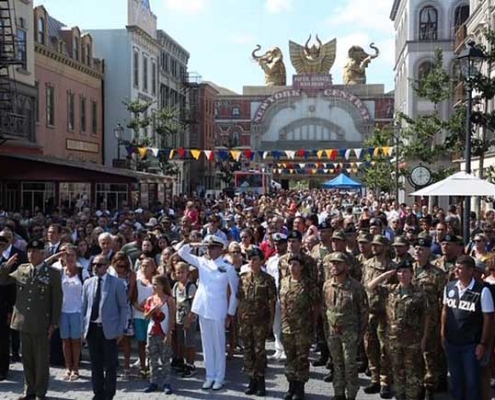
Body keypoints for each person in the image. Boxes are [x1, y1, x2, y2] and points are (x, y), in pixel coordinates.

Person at [0, 239, 62, 400]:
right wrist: (6, 266)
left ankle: (40, 392)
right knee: (26, 359)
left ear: (43, 253)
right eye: (29, 251)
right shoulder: (22, 269)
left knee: (41, 360)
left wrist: (53, 323)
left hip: (41, 322)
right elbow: (2, 279)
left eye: (35, 252)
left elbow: (56, 301)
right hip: (23, 321)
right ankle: (29, 390)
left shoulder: (52, 274)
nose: (31, 254)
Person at [178, 234, 239, 391]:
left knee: (218, 345)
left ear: (220, 249)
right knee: (206, 345)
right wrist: (196, 244)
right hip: (204, 308)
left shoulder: (228, 267)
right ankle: (209, 376)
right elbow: (182, 253)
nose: (209, 250)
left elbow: (234, 292)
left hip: (219, 310)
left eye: (213, 247)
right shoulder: (202, 262)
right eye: (208, 247)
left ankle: (219, 377)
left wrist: (230, 313)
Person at [368, 259, 428, 400]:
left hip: (412, 341)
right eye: (400, 271)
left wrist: (424, 338)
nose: (402, 274)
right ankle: (400, 396)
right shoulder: (390, 290)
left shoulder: (420, 293)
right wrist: (386, 275)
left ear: (412, 274)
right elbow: (370, 286)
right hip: (393, 340)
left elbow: (426, 317)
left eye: (405, 271)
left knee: (412, 373)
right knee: (397, 371)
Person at [441, 255, 494, 400]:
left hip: (471, 346)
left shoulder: (482, 291)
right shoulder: (449, 287)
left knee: (472, 384)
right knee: (456, 382)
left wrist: (483, 344)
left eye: (460, 268)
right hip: (452, 343)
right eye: (455, 267)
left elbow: (488, 319)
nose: (456, 271)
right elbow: (445, 310)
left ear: (471, 271)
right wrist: (442, 334)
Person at [323, 252, 369, 400]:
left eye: (339, 263)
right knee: (337, 364)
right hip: (332, 331)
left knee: (349, 365)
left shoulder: (356, 287)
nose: (335, 266)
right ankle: (338, 393)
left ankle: (351, 395)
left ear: (346, 266)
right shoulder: (327, 285)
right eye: (333, 263)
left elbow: (363, 312)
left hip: (350, 333)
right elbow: (325, 309)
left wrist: (360, 334)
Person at [81, 254, 127, 400]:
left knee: (111, 365)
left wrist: (121, 329)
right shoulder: (88, 283)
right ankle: (98, 393)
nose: (96, 267)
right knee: (95, 364)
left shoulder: (117, 283)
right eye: (94, 264)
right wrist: (83, 328)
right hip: (93, 328)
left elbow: (123, 308)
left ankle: (109, 394)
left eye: (99, 264)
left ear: (107, 266)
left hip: (109, 329)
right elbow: (84, 307)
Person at [237, 247, 276, 396]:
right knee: (248, 351)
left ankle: (261, 382)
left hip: (261, 322)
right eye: (250, 259)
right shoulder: (243, 277)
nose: (252, 262)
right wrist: (240, 320)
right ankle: (251, 380)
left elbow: (272, 303)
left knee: (259, 352)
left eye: (255, 259)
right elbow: (240, 300)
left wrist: (271, 323)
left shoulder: (268, 280)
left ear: (262, 261)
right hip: (246, 321)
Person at [280, 254, 320, 400]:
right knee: (290, 358)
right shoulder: (284, 282)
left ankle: (300, 388)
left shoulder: (308, 284)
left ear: (301, 267)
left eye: (295, 264)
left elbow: (316, 305)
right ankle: (291, 386)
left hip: (303, 327)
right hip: (287, 327)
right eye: (290, 264)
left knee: (302, 358)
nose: (292, 267)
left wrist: (313, 323)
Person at [412, 235, 448, 398]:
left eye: (422, 249)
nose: (418, 251)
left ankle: (429, 388)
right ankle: (416, 385)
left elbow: (443, 301)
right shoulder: (407, 270)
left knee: (430, 356)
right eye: (416, 249)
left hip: (431, 322)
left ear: (428, 252)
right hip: (411, 323)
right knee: (414, 356)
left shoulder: (437, 274)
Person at [361, 234, 394, 398]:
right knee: (370, 346)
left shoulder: (392, 267)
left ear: (385, 247)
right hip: (370, 311)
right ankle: (374, 378)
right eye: (372, 244)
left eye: (377, 245)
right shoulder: (367, 264)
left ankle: (385, 381)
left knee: (384, 349)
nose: (374, 247)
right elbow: (363, 287)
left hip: (385, 313)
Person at [59, 244, 89, 381]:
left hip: (77, 312)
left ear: (76, 257)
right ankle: (68, 368)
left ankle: (76, 368)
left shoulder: (83, 272)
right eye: (66, 255)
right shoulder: (59, 272)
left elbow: (89, 293)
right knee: (65, 341)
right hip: (63, 311)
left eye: (71, 255)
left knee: (76, 341)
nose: (69, 258)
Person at [143, 274, 175, 394]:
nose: (153, 286)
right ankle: (153, 382)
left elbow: (171, 317)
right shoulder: (150, 299)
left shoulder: (169, 300)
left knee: (165, 358)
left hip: (164, 332)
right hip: (152, 332)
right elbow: (145, 317)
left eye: (155, 284)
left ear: (162, 285)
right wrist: (152, 310)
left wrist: (169, 334)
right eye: (153, 284)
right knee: (152, 358)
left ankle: (167, 383)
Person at [108, 251, 136, 378]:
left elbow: (130, 292)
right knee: (111, 339)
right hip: (111, 309)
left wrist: (122, 303)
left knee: (125, 339)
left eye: (123, 266)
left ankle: (127, 366)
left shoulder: (131, 274)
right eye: (118, 266)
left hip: (125, 309)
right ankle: (112, 365)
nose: (121, 269)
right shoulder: (109, 273)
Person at [172, 261, 198, 378]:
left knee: (190, 343)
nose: (180, 275)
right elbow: (174, 302)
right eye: (178, 272)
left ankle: (191, 365)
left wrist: (189, 320)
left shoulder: (191, 286)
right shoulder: (176, 286)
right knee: (181, 342)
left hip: (189, 319)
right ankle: (182, 362)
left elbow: (194, 304)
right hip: (179, 318)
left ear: (187, 273)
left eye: (182, 272)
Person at [132, 257, 157, 378]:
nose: (145, 268)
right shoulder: (136, 281)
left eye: (148, 265)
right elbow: (133, 298)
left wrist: (149, 308)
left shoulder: (156, 281)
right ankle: (143, 367)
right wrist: (138, 307)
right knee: (141, 342)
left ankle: (153, 367)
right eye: (143, 266)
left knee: (151, 343)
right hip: (138, 315)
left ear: (153, 267)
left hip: (152, 316)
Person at [265, 232, 288, 362]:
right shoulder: (271, 261)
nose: (278, 246)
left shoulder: (290, 259)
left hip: (286, 294)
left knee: (286, 323)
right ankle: (278, 348)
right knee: (276, 323)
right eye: (276, 244)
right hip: (274, 295)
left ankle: (286, 349)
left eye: (281, 244)